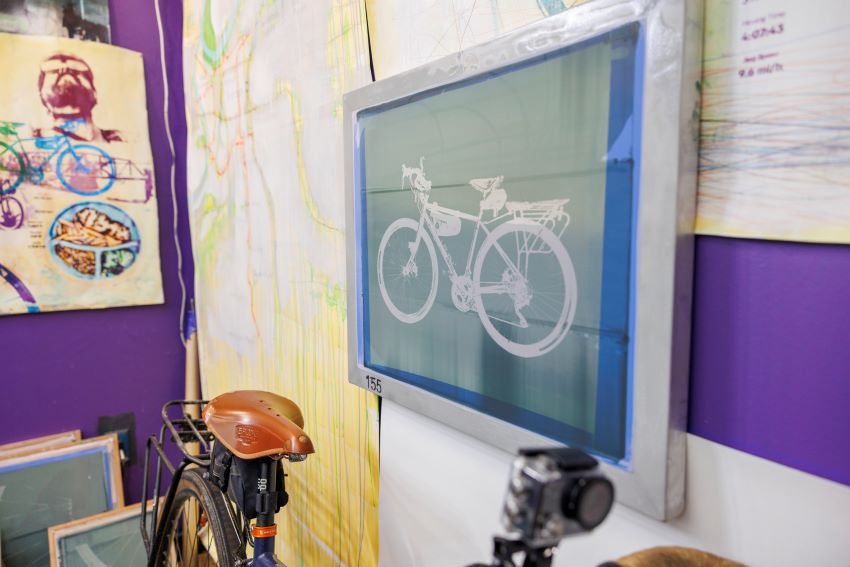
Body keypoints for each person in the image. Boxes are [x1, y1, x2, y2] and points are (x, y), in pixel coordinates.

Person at [35, 53, 123, 143]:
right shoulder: (29, 140)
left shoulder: (121, 140)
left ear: (94, 93)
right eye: (54, 71)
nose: (65, 71)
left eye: (77, 71)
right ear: (42, 96)